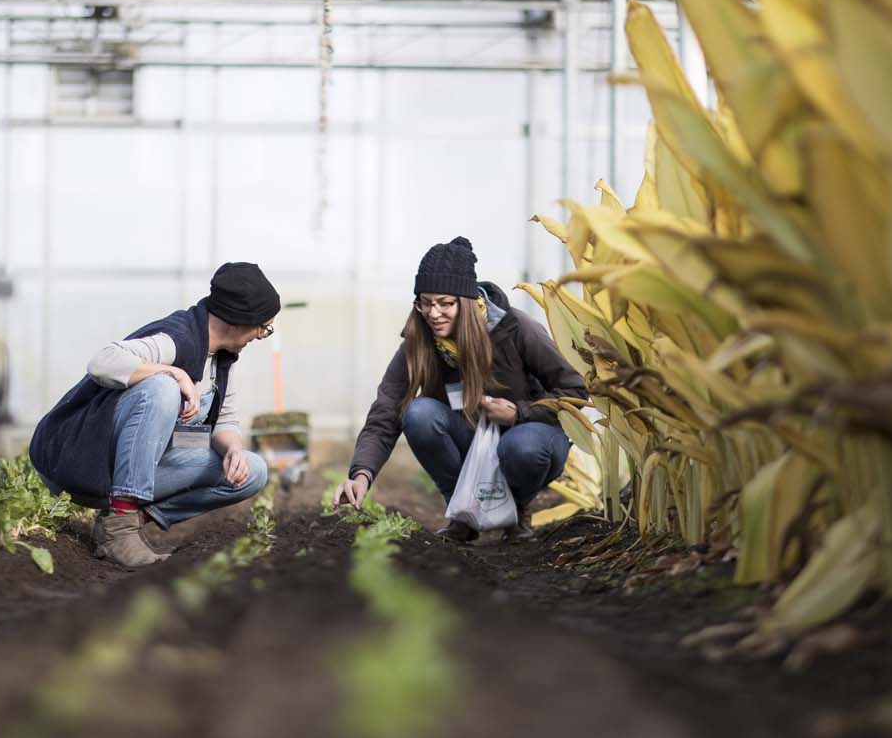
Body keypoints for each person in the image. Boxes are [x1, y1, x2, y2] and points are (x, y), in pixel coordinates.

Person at [334, 236, 588, 543]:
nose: (433, 313)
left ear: (466, 302)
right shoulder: (420, 340)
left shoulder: (517, 330)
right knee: (419, 413)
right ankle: (462, 513)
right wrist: (362, 474)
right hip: (469, 434)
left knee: (523, 449)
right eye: (425, 302)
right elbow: (387, 409)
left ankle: (517, 511)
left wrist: (519, 412)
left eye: (444, 303)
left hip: (529, 433)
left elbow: (574, 391)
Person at [29, 262, 280, 568]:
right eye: (263, 328)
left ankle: (127, 519)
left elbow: (224, 421)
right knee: (162, 388)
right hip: (79, 459)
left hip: (138, 466)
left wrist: (233, 450)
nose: (260, 336)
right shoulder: (177, 338)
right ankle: (121, 526)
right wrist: (174, 373)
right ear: (241, 319)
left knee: (252, 471)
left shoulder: (224, 361)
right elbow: (102, 362)